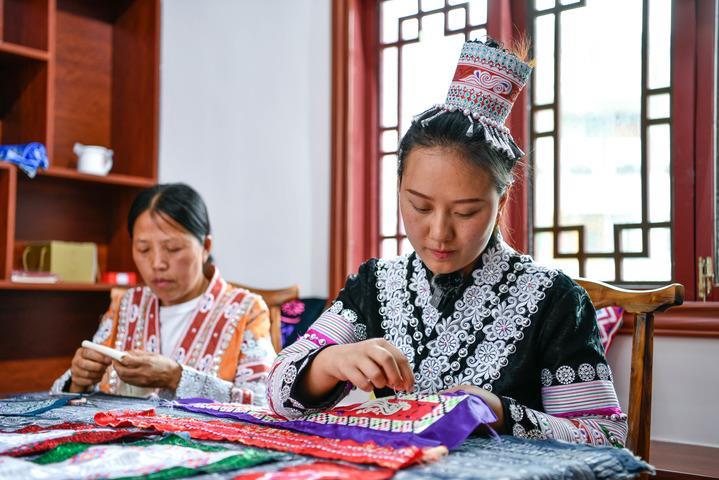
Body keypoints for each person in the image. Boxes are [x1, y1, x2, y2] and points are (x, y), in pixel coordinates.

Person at [267, 39, 627, 446]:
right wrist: (330, 362)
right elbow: (278, 390)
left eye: (465, 212)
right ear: (399, 187)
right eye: (420, 207)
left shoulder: (555, 299)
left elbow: (607, 437)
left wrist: (501, 412)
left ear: (501, 201)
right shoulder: (376, 285)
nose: (439, 233)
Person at [51, 183, 276, 404]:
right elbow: (73, 390)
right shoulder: (127, 304)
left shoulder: (246, 310)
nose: (157, 263)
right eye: (143, 249)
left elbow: (265, 404)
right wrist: (78, 381)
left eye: (173, 249)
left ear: (205, 246)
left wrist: (176, 377)